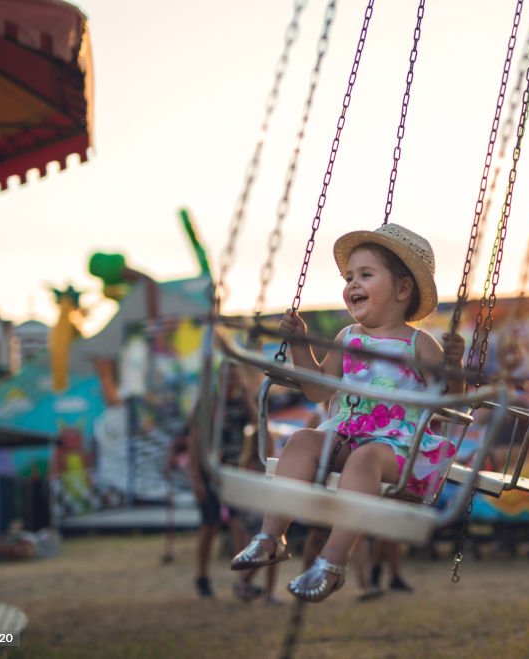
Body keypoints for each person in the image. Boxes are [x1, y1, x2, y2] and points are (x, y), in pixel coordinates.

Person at [230, 223, 464, 602]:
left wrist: (453, 366)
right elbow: (317, 389)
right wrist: (301, 344)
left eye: (365, 275)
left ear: (402, 289)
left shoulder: (421, 345)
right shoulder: (347, 338)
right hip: (346, 435)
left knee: (365, 458)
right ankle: (271, 536)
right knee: (304, 440)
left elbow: (452, 402)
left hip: (398, 449)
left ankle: (333, 562)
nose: (352, 284)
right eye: (349, 277)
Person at [187, 364, 258, 598]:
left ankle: (242, 581)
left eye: (236, 377)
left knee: (239, 526)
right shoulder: (208, 404)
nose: (232, 382)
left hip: (235, 471)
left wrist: (247, 395)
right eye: (228, 377)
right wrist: (196, 477)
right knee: (210, 525)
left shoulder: (241, 404)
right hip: (210, 471)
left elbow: (259, 424)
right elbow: (194, 441)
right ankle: (202, 576)